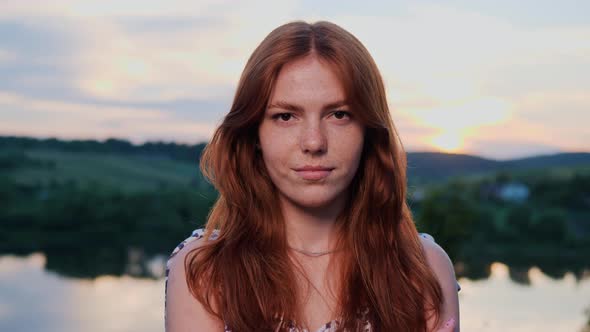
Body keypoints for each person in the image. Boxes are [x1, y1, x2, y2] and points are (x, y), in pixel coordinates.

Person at [165, 20, 460, 332]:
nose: (314, 142)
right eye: (285, 116)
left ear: (369, 131)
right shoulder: (203, 270)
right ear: (254, 134)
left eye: (339, 114)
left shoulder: (422, 267)